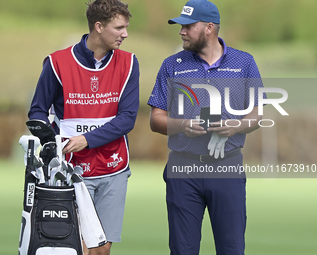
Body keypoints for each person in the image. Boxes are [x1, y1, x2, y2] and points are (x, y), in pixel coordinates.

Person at [148, 0, 264, 254]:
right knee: (182, 250)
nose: (181, 31)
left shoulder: (244, 63)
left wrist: (236, 126)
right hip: (183, 169)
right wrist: (182, 125)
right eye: (181, 27)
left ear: (209, 27)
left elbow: (257, 114)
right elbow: (155, 118)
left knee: (231, 248)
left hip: (227, 167)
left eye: (188, 26)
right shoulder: (171, 65)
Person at [28, 0, 139, 254]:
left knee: (101, 249)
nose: (125, 34)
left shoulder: (129, 63)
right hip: (70, 168)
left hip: (114, 166)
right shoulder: (57, 63)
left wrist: (87, 139)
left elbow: (127, 119)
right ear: (98, 26)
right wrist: (56, 142)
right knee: (78, 246)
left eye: (126, 27)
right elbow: (37, 111)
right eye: (119, 27)